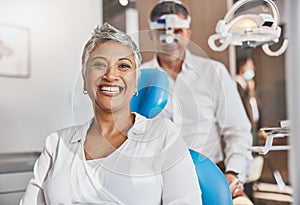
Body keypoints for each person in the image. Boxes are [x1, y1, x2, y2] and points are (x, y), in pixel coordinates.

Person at [20, 23, 202, 205]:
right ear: (84, 80)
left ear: (136, 83)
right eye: (99, 64)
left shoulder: (162, 134)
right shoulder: (56, 143)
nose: (110, 75)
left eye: (123, 66)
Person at [141, 0, 253, 202]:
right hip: (157, 183)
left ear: (188, 34)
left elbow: (237, 130)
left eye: (178, 30)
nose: (170, 38)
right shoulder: (139, 78)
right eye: (162, 33)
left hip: (213, 177)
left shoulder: (214, 72)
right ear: (151, 36)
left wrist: (234, 173)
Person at [235, 56, 262, 144]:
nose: (253, 69)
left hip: (253, 128)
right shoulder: (236, 85)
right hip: (243, 129)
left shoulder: (249, 84)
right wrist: (249, 91)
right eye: (250, 66)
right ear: (242, 67)